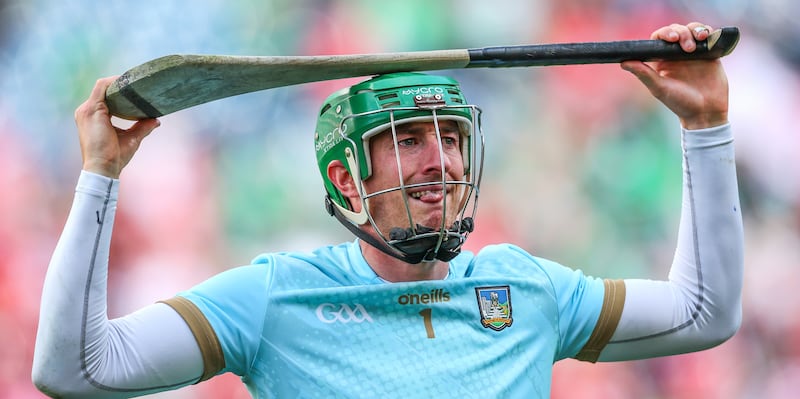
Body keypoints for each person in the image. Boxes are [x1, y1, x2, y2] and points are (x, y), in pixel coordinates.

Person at [32, 22, 743, 398]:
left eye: (452, 138)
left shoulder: (528, 290)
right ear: (344, 177)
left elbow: (705, 310)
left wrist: (705, 125)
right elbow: (76, 369)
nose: (443, 161)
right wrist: (101, 175)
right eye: (407, 140)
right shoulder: (273, 298)